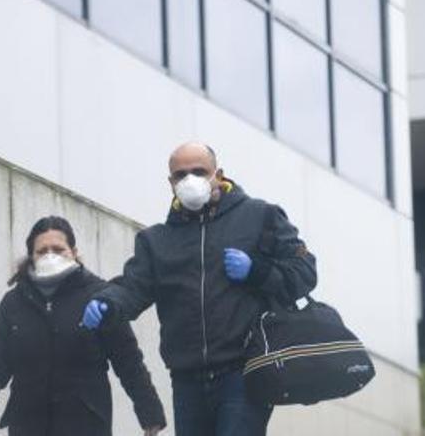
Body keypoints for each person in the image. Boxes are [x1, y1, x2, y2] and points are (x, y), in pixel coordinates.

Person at [82, 142, 318, 436]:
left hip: (242, 373)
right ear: (170, 183)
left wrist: (257, 270)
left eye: (199, 171)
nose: (190, 180)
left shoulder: (260, 217)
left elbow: (305, 272)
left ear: (218, 175)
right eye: (180, 175)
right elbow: (134, 287)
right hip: (186, 381)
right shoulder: (157, 241)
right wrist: (108, 302)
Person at [0, 216, 167, 436]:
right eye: (42, 250)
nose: (50, 256)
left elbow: (128, 361)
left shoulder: (100, 298)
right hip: (28, 424)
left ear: (73, 253)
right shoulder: (14, 303)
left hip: (85, 423)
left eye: (58, 249)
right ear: (31, 257)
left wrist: (149, 413)